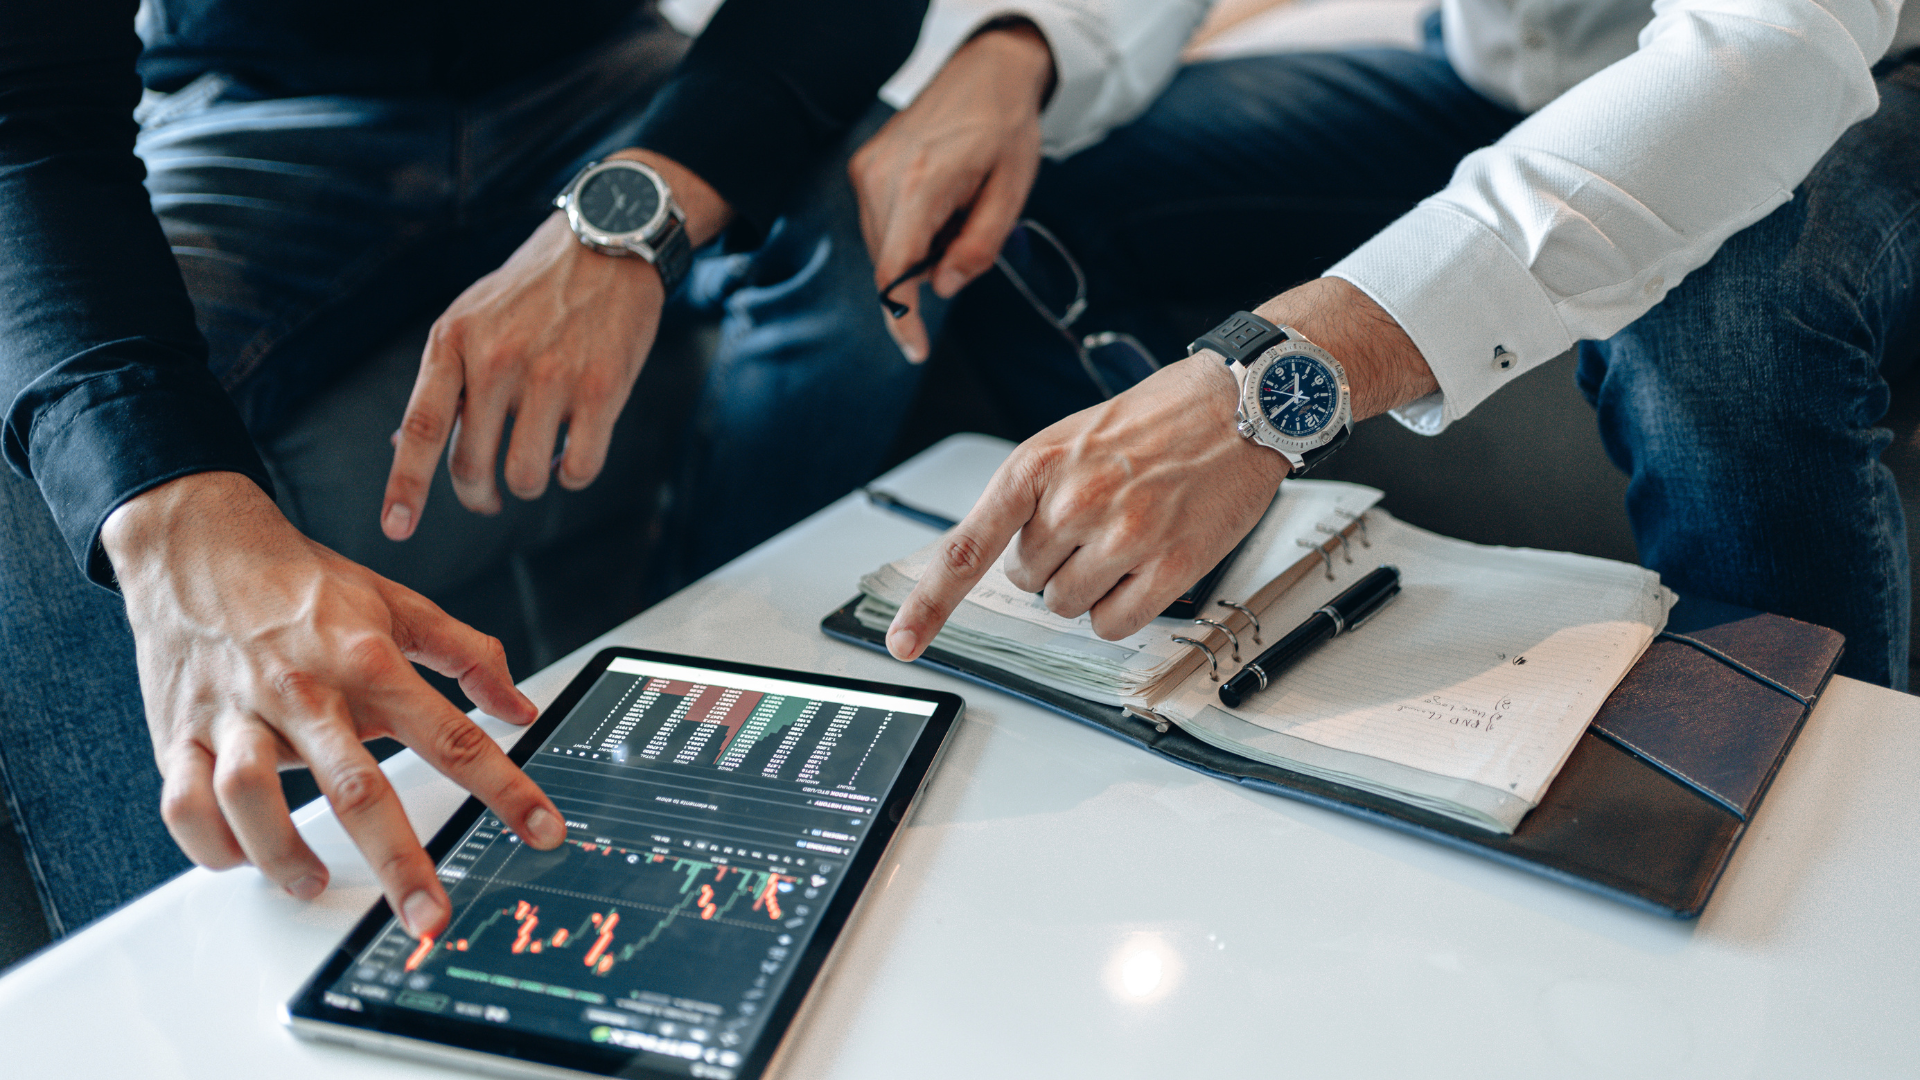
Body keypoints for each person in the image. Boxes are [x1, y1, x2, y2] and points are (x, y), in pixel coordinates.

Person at [0, 0, 927, 939]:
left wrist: (629, 216)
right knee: (46, 474)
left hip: (599, 75)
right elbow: (25, 116)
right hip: (259, 112)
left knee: (881, 210)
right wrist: (172, 515)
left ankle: (749, 703)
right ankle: (166, 978)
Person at [877, 0, 1920, 694]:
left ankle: (1791, 801)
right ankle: (1158, 595)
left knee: (1723, 319)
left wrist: (1262, 388)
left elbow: (1770, 48)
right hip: (1503, 72)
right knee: (1034, 194)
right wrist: (1019, 48)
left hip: (1857, 69)